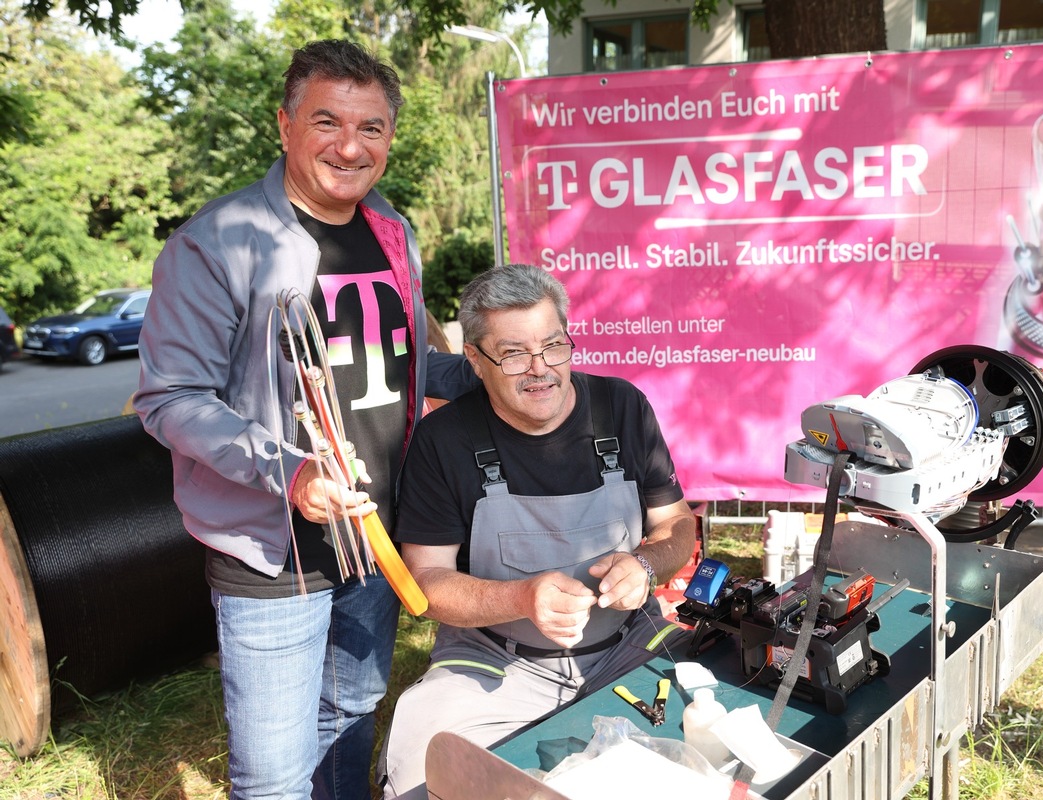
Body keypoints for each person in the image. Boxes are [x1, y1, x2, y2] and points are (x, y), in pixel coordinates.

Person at [133, 39, 474, 799]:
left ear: (390, 136)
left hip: (379, 534)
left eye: (372, 127)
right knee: (275, 773)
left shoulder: (392, 229)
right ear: (283, 125)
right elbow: (169, 397)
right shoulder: (217, 242)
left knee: (351, 712)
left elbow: (413, 362)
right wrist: (287, 470)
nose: (350, 146)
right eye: (326, 121)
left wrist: (503, 370)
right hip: (273, 548)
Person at [376, 264, 698, 798]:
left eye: (553, 345)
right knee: (426, 773)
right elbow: (425, 584)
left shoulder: (622, 408)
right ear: (475, 361)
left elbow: (678, 526)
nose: (540, 369)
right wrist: (523, 596)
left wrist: (644, 565)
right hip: (494, 664)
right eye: (513, 353)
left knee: (715, 734)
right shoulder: (444, 440)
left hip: (627, 645)